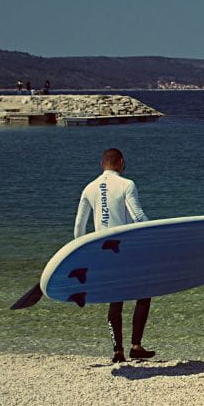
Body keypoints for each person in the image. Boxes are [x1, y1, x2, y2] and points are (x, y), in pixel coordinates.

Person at [74, 148, 155, 363]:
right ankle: (136, 345)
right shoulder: (127, 184)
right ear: (121, 162)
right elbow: (137, 215)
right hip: (127, 249)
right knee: (144, 293)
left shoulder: (89, 188)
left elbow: (79, 228)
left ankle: (117, 351)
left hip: (103, 252)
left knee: (115, 300)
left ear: (102, 164)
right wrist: (156, 235)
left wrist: (81, 255)